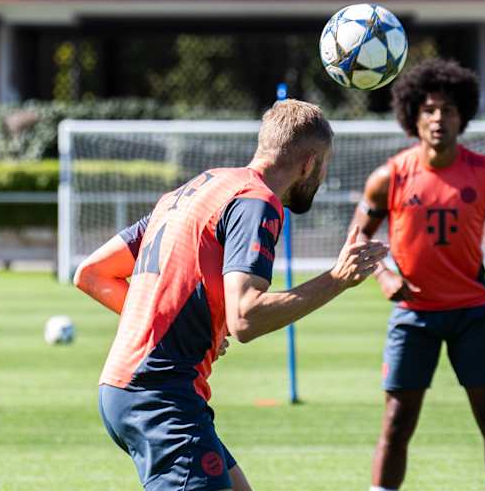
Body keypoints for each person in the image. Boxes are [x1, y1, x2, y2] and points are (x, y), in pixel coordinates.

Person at [74, 99, 388, 491]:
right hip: (159, 394)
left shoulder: (196, 190)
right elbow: (246, 318)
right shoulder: (257, 201)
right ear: (309, 164)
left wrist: (185, 328)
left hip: (127, 388)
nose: (323, 175)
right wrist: (337, 279)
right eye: (325, 165)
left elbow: (92, 273)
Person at [351, 58, 485, 491]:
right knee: (396, 423)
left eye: (448, 110)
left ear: (462, 117)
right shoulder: (389, 177)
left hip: (473, 313)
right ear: (413, 117)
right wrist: (383, 273)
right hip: (413, 314)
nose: (438, 119)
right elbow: (357, 235)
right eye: (429, 110)